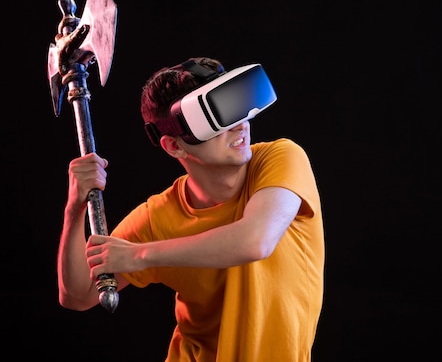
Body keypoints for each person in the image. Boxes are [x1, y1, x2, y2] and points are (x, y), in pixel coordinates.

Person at [56, 56, 325, 362]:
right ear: (175, 146)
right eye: (215, 118)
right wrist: (75, 206)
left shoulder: (280, 160)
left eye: (236, 104)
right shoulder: (158, 219)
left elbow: (255, 240)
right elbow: (78, 295)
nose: (239, 124)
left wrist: (139, 255)